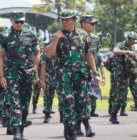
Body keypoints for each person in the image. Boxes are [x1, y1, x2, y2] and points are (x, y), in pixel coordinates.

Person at [46, 9, 103, 139]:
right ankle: (70, 128)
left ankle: (82, 125)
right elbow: (49, 55)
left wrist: (95, 73)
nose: (64, 22)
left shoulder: (83, 35)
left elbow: (89, 54)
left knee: (82, 102)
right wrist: (55, 40)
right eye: (63, 20)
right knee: (68, 100)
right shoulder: (57, 35)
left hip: (81, 74)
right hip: (63, 75)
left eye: (67, 19)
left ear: (74, 20)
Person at [0, 11, 40, 140]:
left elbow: (37, 53)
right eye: (17, 21)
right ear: (11, 20)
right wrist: (1, 76)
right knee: (14, 102)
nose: (20, 24)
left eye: (22, 21)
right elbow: (0, 56)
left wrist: (35, 68)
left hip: (27, 74)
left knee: (25, 104)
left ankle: (21, 131)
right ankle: (16, 132)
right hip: (12, 74)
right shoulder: (5, 36)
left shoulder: (31, 35)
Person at [110, 31, 137, 124]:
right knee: (121, 97)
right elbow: (115, 51)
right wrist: (128, 52)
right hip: (122, 76)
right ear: (128, 39)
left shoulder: (132, 47)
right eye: (132, 41)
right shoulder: (121, 45)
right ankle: (113, 116)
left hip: (132, 75)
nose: (133, 43)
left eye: (134, 41)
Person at [79, 15, 105, 118]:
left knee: (93, 92)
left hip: (92, 69)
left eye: (95, 24)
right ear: (83, 24)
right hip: (79, 70)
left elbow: (96, 55)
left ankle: (89, 112)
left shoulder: (95, 38)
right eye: (92, 23)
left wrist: (98, 72)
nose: (94, 26)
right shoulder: (76, 36)